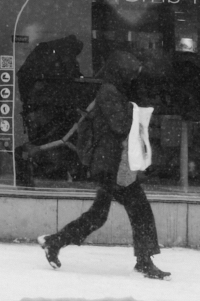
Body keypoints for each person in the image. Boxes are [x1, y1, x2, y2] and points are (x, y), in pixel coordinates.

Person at [38, 50, 170, 279]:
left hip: (113, 164)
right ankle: (143, 262)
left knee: (108, 214)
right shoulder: (109, 92)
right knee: (132, 210)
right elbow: (119, 126)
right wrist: (134, 110)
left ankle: (55, 241)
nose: (133, 78)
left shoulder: (114, 91)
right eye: (130, 73)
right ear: (121, 72)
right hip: (109, 164)